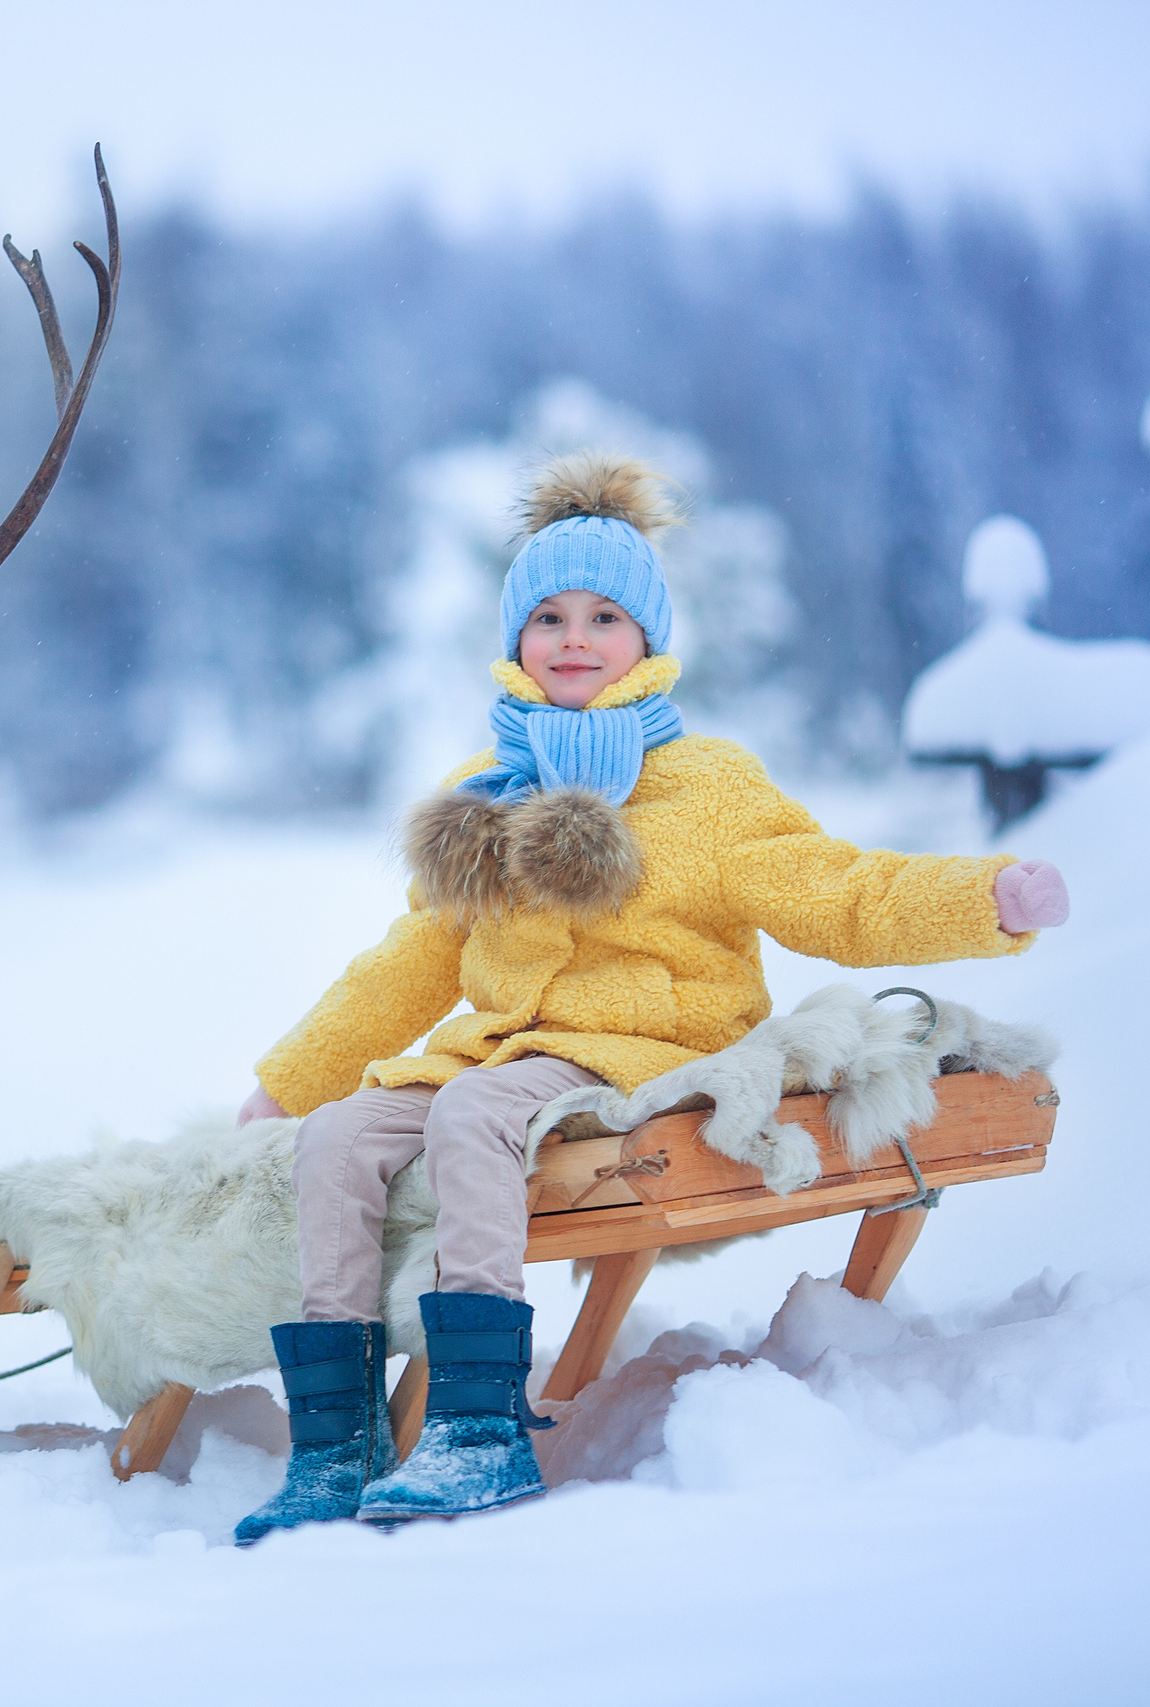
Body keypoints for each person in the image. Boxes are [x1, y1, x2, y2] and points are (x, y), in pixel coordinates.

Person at [231, 454, 1070, 1543]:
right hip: (499, 1048)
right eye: (547, 617)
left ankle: (477, 1430)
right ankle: (334, 1447)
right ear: (514, 641)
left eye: (603, 617)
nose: (573, 638)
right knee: (341, 1139)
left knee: (471, 1116)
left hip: (642, 1039)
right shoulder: (484, 792)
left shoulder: (705, 788)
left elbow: (838, 890)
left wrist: (986, 897)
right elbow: (406, 963)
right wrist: (289, 1081)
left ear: (648, 643)